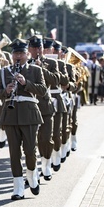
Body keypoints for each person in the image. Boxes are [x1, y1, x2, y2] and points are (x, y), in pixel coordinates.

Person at [0, 38, 46, 200]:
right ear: (12, 55)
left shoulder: (35, 70)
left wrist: (25, 83)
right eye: (15, 53)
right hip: (10, 115)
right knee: (14, 153)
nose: (18, 56)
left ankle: (31, 175)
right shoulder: (4, 72)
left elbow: (43, 90)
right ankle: (18, 187)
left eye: (21, 53)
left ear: (27, 54)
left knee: (30, 151)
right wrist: (6, 92)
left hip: (29, 114)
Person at [27, 36, 59, 180]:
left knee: (46, 138)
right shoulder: (25, 64)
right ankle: (32, 172)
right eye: (34, 48)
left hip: (45, 105)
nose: (37, 50)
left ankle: (46, 165)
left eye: (39, 48)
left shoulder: (51, 62)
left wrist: (42, 68)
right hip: (29, 106)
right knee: (31, 141)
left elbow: (56, 80)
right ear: (29, 50)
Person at [42, 38, 69, 172]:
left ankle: (56, 156)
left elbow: (65, 80)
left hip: (56, 97)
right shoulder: (35, 63)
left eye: (48, 49)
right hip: (42, 98)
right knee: (42, 135)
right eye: (44, 49)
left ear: (53, 50)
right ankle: (43, 161)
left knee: (56, 132)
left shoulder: (59, 64)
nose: (46, 51)